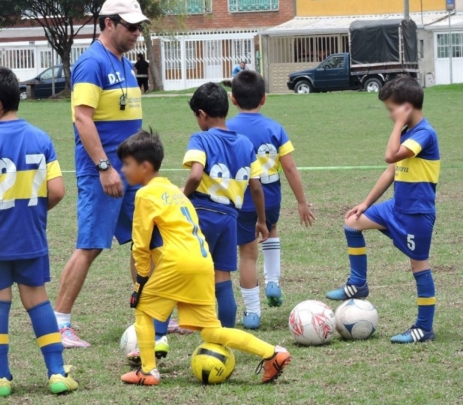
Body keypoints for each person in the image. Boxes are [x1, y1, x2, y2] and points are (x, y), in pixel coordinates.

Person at [116, 129, 292, 386]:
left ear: (144, 166)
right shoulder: (177, 192)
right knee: (211, 330)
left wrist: (140, 281)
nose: (123, 170)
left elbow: (140, 245)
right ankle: (273, 353)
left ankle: (148, 371)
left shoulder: (144, 195)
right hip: (202, 262)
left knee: (143, 310)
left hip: (177, 264)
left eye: (126, 164)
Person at [0, 66, 78, 397]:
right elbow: (57, 191)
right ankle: (56, 372)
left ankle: (0, 377)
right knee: (37, 301)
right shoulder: (41, 138)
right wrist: (33, 211)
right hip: (30, 236)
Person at [54, 0, 153, 349]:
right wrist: (104, 167)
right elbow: (82, 118)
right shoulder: (92, 63)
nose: (137, 32)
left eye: (139, 26)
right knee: (91, 245)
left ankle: (150, 315)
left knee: (144, 241)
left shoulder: (123, 62)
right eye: (130, 26)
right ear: (109, 24)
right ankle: (60, 324)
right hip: (104, 173)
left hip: (131, 172)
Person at [325, 76, 440, 344]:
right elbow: (392, 170)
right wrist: (366, 203)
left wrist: (400, 123)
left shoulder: (424, 133)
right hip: (396, 208)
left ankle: (424, 328)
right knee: (353, 222)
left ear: (407, 107)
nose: (390, 115)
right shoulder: (409, 132)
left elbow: (390, 156)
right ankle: (358, 283)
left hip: (416, 215)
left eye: (392, 109)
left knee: (418, 265)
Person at [227, 70, 315, 329]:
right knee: (271, 229)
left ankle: (253, 313)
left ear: (232, 99)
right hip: (271, 196)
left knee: (247, 252)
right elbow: (289, 168)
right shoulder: (275, 128)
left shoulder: (227, 129)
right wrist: (301, 201)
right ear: (264, 99)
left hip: (241, 199)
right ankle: (273, 282)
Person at [181, 82, 268, 330]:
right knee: (222, 278)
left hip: (202, 213)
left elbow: (196, 175)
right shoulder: (245, 144)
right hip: (230, 217)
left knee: (180, 269)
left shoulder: (200, 138)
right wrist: (261, 221)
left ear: (202, 114)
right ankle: (225, 338)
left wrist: (182, 195)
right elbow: (256, 187)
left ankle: (161, 334)